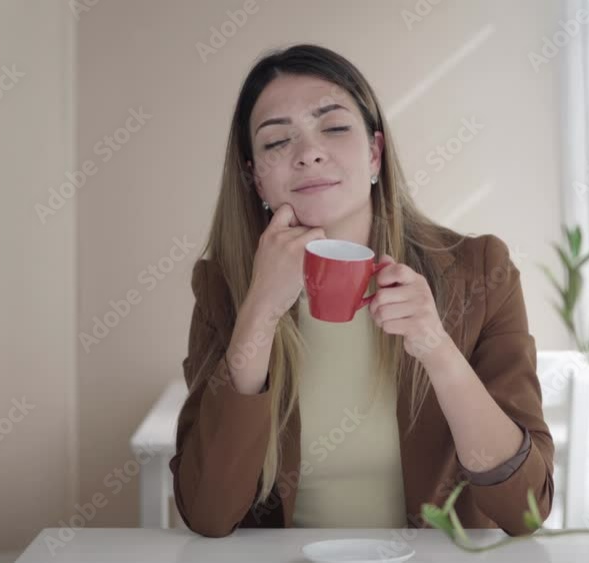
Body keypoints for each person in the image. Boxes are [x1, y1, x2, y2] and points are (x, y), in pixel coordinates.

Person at [169, 43, 554, 538]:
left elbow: (525, 508)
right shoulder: (223, 288)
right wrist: (260, 309)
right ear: (255, 179)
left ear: (374, 153)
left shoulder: (480, 272)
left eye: (333, 128)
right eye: (277, 141)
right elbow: (207, 513)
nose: (309, 153)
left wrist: (438, 350)